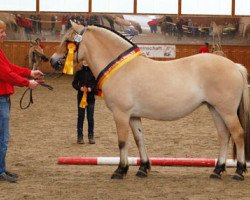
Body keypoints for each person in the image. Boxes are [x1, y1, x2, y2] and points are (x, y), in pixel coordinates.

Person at [0, 20, 44, 183]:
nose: (4, 34)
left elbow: (9, 68)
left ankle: (1, 169)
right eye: (1, 32)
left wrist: (29, 72)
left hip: (3, 99)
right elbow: (6, 74)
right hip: (1, 100)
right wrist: (27, 82)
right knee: (3, 138)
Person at [72, 65, 97, 144]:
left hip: (91, 99)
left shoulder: (94, 72)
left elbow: (96, 84)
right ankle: (80, 137)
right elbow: (74, 83)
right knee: (80, 117)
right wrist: (80, 88)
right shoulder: (79, 72)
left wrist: (91, 88)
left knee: (90, 117)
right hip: (81, 98)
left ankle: (91, 136)